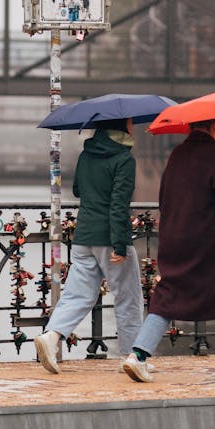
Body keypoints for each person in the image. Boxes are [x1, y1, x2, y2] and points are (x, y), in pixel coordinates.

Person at [122, 118, 215, 384]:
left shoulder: (177, 155)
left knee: (168, 295)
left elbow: (165, 196)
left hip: (175, 237)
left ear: (189, 127)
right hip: (209, 241)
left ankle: (137, 356)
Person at [34, 117, 145, 373]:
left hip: (84, 235)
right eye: (129, 122)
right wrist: (119, 244)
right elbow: (119, 205)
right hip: (110, 237)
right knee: (128, 298)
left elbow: (77, 190)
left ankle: (52, 336)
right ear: (121, 127)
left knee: (78, 294)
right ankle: (132, 357)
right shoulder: (124, 159)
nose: (132, 126)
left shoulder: (87, 154)